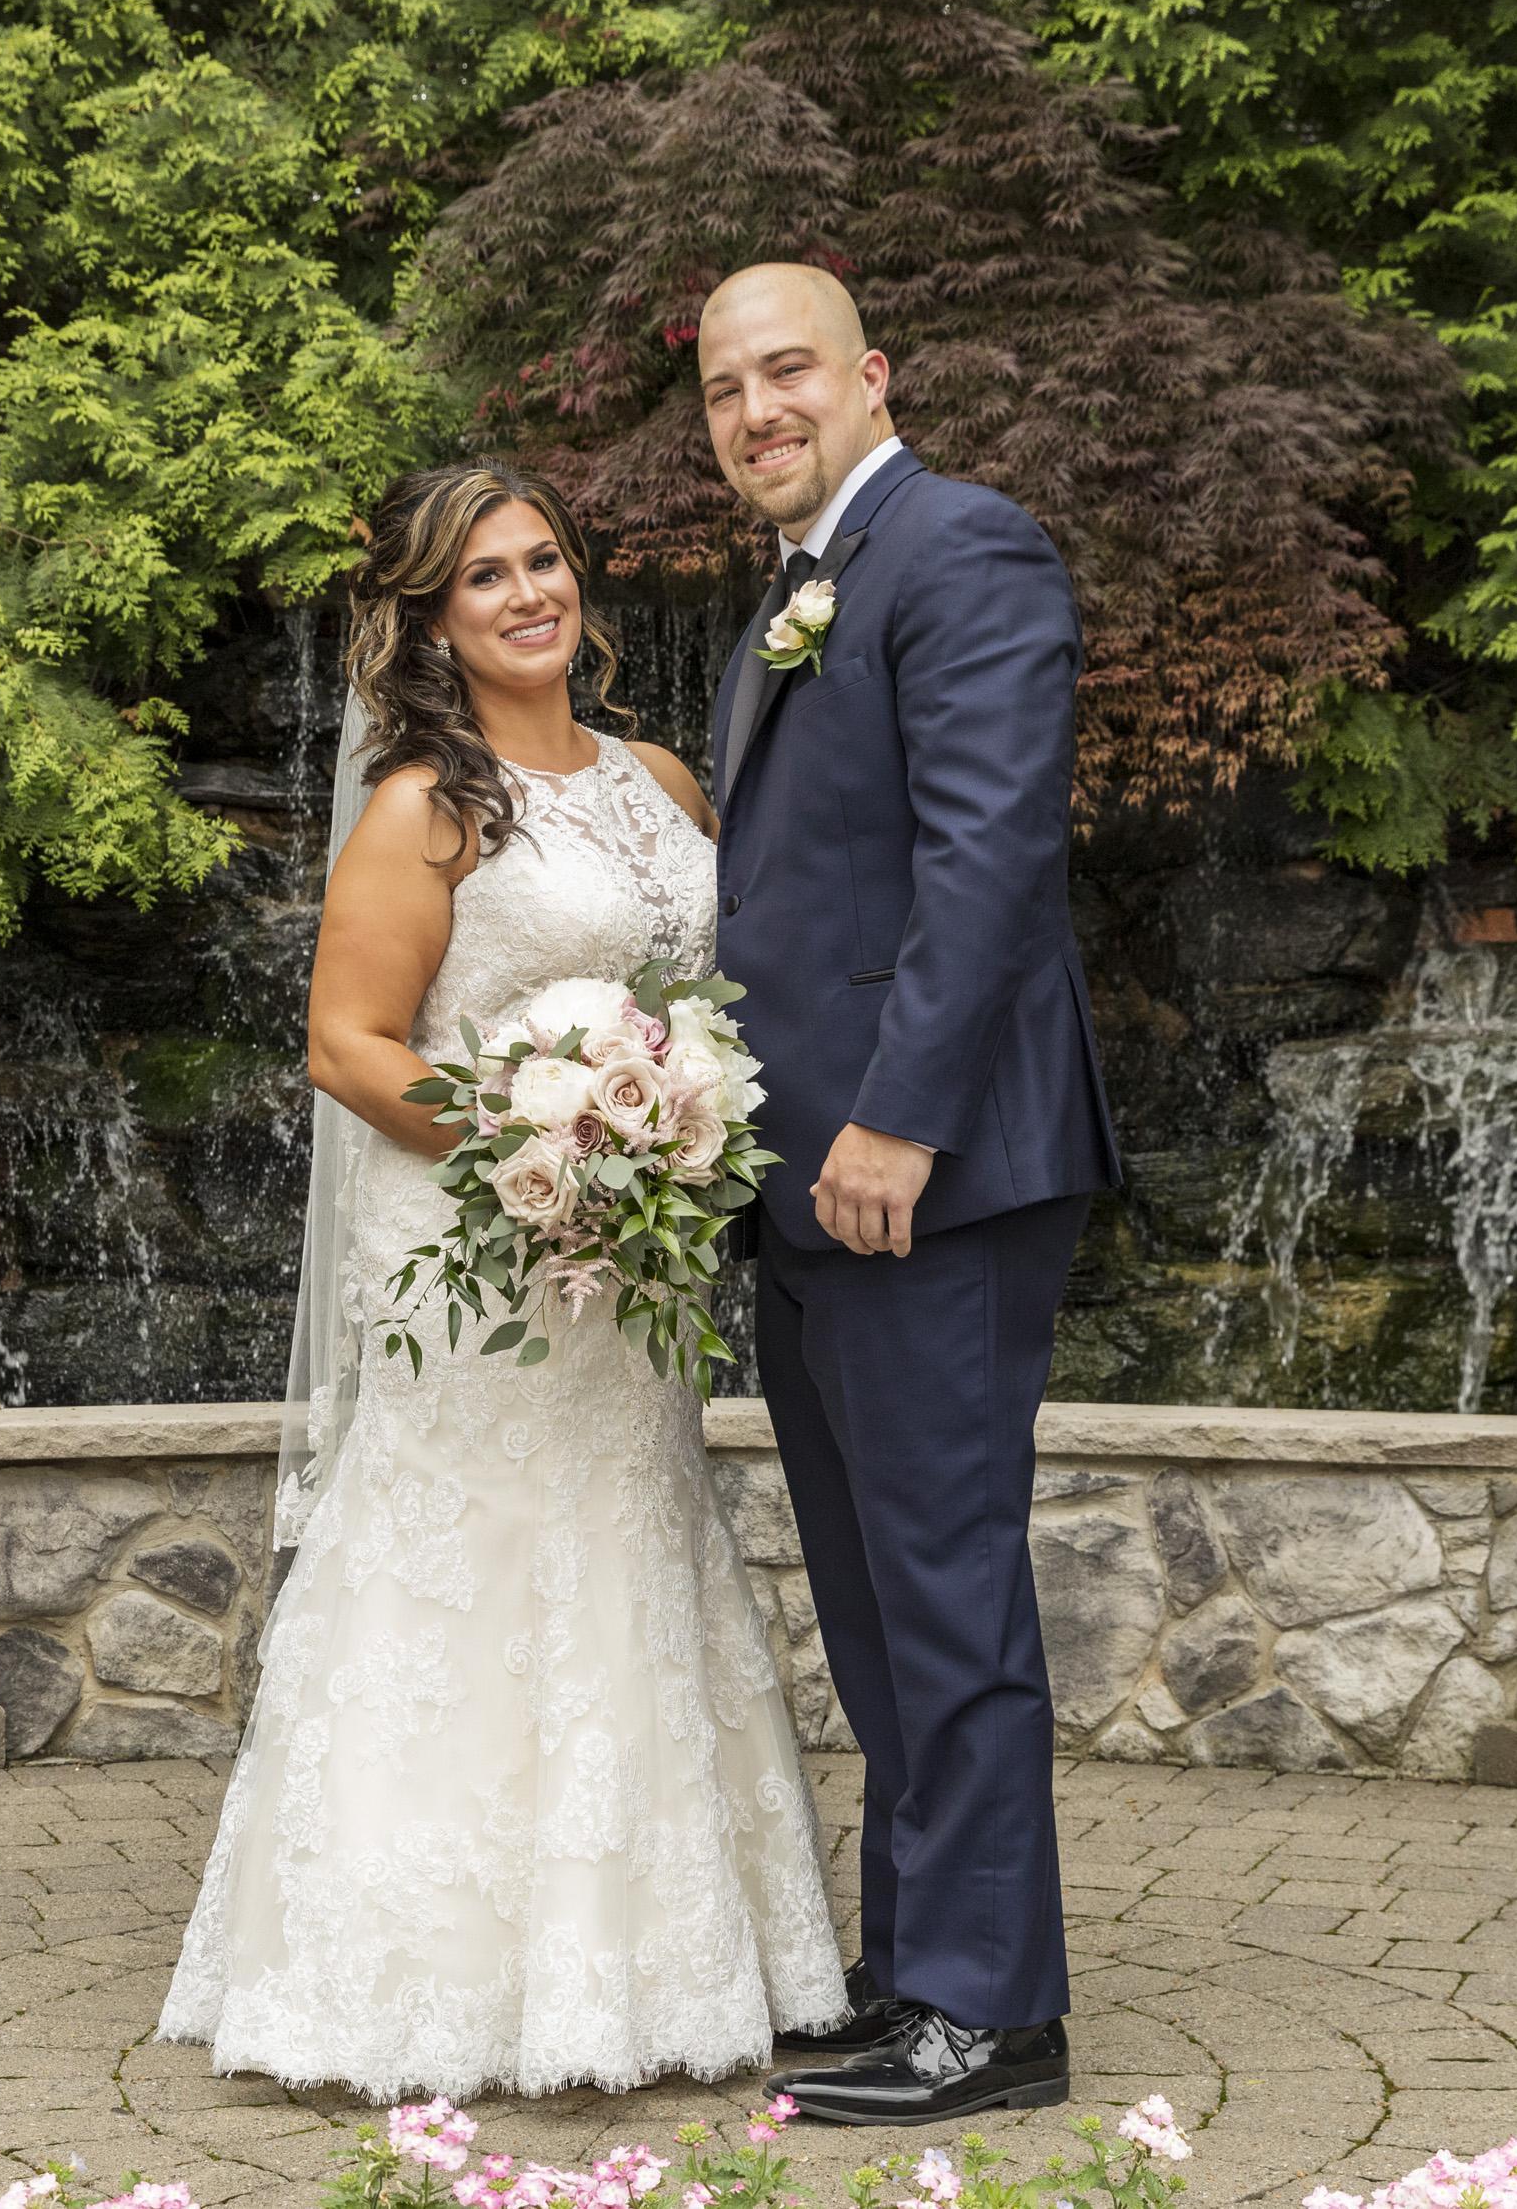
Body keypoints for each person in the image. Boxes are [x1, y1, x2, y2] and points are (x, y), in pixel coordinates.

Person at [155, 462, 847, 2100]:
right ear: (430, 619)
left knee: (627, 1556)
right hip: (481, 1257)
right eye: (485, 576)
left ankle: (646, 1971)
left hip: (628, 1267)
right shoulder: (425, 806)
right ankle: (412, 1988)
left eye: (544, 560)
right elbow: (348, 1044)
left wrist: (661, 1138)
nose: (529, 593)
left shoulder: (661, 781)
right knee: (464, 1580)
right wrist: (548, 1148)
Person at [700, 263, 1127, 2126]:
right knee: (879, 1602)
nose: (757, 411)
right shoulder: (796, 596)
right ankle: (913, 1974)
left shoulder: (963, 548)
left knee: (945, 1593)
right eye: (726, 390)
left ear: (871, 375)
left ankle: (993, 2016)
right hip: (814, 1188)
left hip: (920, 1177)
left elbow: (991, 856)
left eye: (787, 369)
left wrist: (896, 1120)